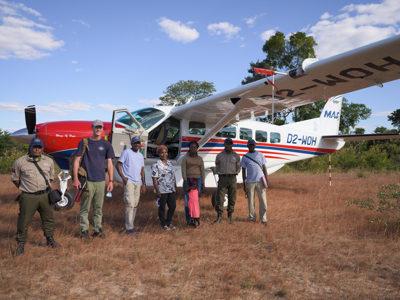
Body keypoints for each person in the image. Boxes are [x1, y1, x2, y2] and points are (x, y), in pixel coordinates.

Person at [11, 138, 61, 256]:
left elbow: (50, 178)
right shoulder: (20, 162)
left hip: (44, 195)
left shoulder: (48, 161)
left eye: (39, 147)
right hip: (28, 196)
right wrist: (26, 188)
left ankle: (50, 240)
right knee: (23, 220)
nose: (37, 149)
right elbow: (15, 179)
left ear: (42, 148)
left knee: (48, 218)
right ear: (30, 147)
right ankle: (20, 245)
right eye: (34, 147)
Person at [72, 119, 115, 242]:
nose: (98, 129)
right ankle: (84, 231)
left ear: (102, 129)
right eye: (96, 127)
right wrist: (76, 179)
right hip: (87, 180)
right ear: (92, 128)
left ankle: (97, 230)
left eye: (100, 127)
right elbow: (76, 161)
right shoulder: (84, 142)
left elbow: (110, 164)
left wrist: (110, 181)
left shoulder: (106, 144)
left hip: (101, 181)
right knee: (85, 208)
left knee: (98, 208)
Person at [116, 136, 146, 236]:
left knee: (135, 204)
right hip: (129, 182)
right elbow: (118, 165)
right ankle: (128, 228)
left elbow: (142, 170)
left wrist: (143, 183)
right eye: (135, 143)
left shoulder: (140, 155)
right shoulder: (126, 152)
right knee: (130, 204)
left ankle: (131, 226)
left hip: (138, 182)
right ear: (132, 143)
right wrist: (124, 179)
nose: (137, 145)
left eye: (138, 143)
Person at [212, 138, 241, 225]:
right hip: (222, 178)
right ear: (224, 144)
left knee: (232, 197)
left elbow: (238, 168)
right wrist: (221, 173)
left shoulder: (236, 156)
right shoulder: (219, 155)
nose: (228, 146)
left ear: (232, 145)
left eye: (230, 144)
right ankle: (219, 217)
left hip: (232, 178)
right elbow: (217, 167)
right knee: (220, 198)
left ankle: (230, 217)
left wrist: (234, 173)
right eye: (227, 144)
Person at [241, 139, 269, 225]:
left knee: (263, 202)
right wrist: (244, 183)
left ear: (255, 146)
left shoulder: (260, 155)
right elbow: (243, 171)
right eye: (250, 145)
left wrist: (267, 180)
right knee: (251, 202)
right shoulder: (245, 157)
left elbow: (264, 168)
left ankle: (263, 219)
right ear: (247, 146)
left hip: (260, 181)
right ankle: (252, 217)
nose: (251, 146)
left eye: (253, 145)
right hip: (250, 182)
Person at [151, 145, 177, 231]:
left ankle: (168, 222)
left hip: (171, 188)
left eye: (165, 152)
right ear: (158, 153)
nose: (164, 154)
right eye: (162, 152)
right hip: (162, 189)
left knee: (172, 206)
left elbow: (173, 175)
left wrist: (175, 185)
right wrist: (157, 190)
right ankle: (163, 224)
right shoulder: (156, 165)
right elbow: (154, 178)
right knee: (162, 207)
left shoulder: (169, 163)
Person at [181, 140, 207, 227]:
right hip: (187, 180)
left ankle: (194, 220)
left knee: (196, 202)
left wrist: (203, 184)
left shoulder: (200, 159)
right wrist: (186, 182)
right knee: (187, 202)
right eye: (191, 147)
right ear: (189, 148)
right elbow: (183, 170)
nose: (193, 149)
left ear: (197, 148)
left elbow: (202, 171)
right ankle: (188, 220)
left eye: (194, 147)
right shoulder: (185, 158)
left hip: (197, 181)